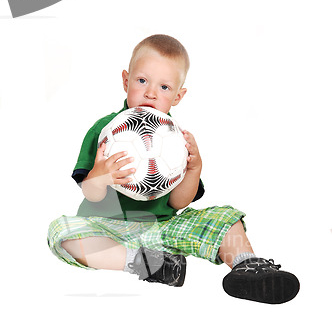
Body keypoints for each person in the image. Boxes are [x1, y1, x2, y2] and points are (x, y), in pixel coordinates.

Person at [48, 34, 300, 304]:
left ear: (178, 96)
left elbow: (179, 201)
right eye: (142, 81)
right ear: (126, 80)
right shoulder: (104, 131)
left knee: (226, 217)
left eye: (165, 87)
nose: (151, 93)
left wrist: (194, 170)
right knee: (61, 233)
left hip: (164, 229)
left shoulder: (177, 140)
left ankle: (247, 267)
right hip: (109, 230)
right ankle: (151, 265)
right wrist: (101, 176)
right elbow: (92, 194)